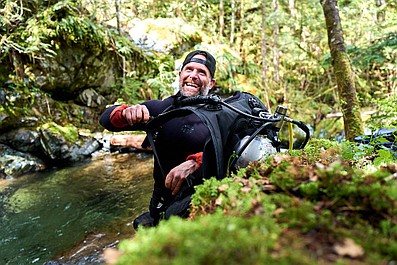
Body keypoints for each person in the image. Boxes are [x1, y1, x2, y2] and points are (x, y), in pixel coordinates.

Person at [100, 50, 217, 229]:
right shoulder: (161, 108)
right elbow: (107, 120)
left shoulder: (219, 115)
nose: (193, 76)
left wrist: (197, 162)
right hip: (161, 203)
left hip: (199, 203)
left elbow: (232, 151)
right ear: (180, 75)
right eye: (189, 69)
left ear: (211, 82)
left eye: (202, 72)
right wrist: (125, 112)